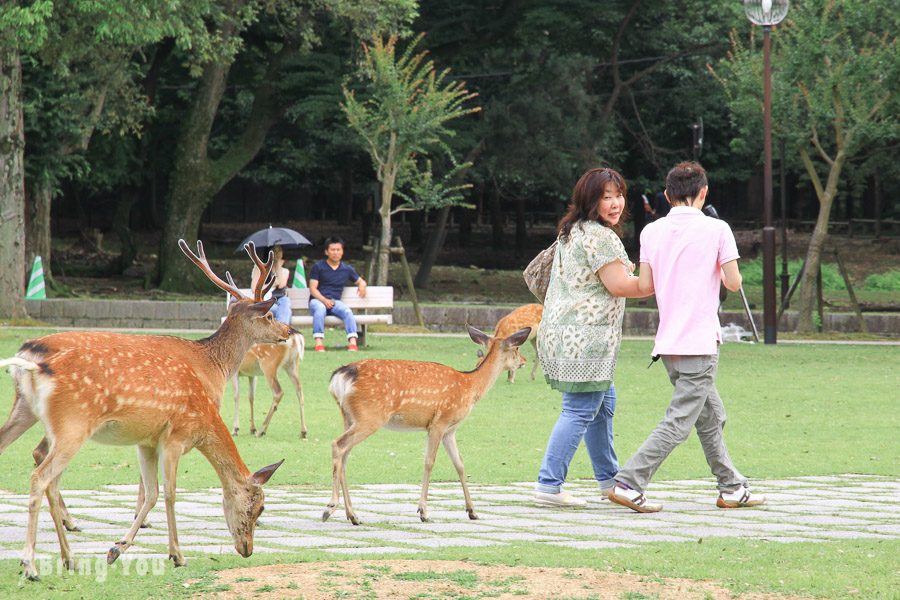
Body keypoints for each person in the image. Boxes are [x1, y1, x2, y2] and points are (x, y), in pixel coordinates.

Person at [608, 161, 765, 513]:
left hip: (668, 344)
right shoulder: (718, 228)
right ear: (704, 191)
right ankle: (629, 482)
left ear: (666, 195)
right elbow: (734, 282)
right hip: (699, 341)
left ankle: (732, 486)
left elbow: (646, 286)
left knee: (712, 416)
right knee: (679, 423)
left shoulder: (651, 232)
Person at [534, 168, 651, 508]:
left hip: (561, 334)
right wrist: (663, 276)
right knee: (580, 408)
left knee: (602, 404)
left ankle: (608, 480)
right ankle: (549, 484)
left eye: (618, 195)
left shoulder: (571, 230)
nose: (615, 203)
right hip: (586, 339)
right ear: (591, 200)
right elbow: (620, 286)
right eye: (606, 197)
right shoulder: (600, 237)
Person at [308, 236, 367, 352]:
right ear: (326, 252)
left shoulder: (347, 269)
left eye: (338, 250)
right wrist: (324, 300)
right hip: (318, 300)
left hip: (335, 302)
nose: (336, 253)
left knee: (347, 311)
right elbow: (313, 289)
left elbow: (360, 281)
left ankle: (352, 342)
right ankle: (319, 343)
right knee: (320, 310)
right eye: (333, 250)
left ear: (342, 251)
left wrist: (362, 286)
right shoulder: (318, 267)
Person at [250, 244, 291, 324]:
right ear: (269, 252)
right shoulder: (259, 268)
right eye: (275, 251)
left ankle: (280, 331)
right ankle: (281, 330)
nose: (277, 253)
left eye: (279, 251)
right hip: (264, 303)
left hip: (279, 302)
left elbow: (282, 285)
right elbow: (254, 289)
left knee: (285, 301)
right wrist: (274, 283)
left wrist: (278, 265)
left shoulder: (284, 271)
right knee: (285, 311)